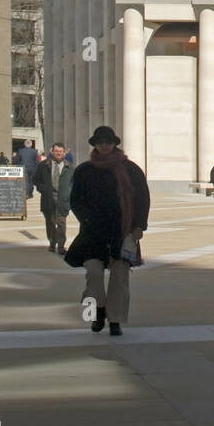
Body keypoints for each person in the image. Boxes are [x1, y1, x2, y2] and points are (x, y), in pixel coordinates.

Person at [64, 125, 150, 337]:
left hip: (122, 233)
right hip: (93, 234)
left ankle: (115, 320)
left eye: (107, 142)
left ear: (114, 144)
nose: (104, 146)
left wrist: (139, 226)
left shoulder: (130, 169)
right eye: (100, 142)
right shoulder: (84, 170)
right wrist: (86, 218)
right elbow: (76, 200)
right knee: (93, 276)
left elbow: (142, 200)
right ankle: (95, 313)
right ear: (95, 145)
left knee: (120, 279)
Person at [33, 143, 74, 254]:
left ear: (64, 153)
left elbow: (73, 182)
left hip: (62, 199)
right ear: (52, 152)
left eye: (61, 151)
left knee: (61, 222)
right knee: (50, 222)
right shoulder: (44, 165)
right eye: (56, 151)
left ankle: (61, 246)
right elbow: (36, 179)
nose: (59, 153)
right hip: (48, 198)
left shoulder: (69, 166)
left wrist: (69, 193)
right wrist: (43, 189)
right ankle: (52, 242)